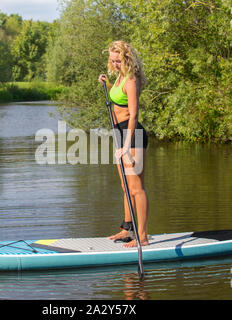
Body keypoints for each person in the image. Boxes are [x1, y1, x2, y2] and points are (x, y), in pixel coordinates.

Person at [98, 40, 149, 247]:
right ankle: (126, 230)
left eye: (118, 60)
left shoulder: (131, 80)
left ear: (126, 59)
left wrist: (127, 145)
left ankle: (143, 237)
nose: (115, 64)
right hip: (120, 135)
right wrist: (106, 85)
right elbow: (118, 100)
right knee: (125, 186)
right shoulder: (119, 78)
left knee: (137, 189)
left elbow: (134, 115)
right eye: (112, 60)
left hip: (132, 136)